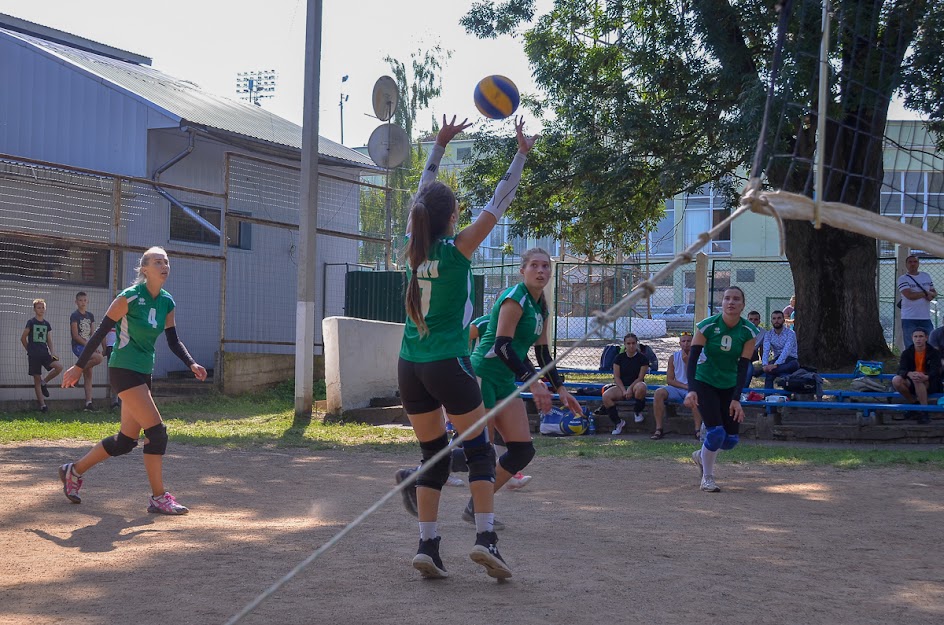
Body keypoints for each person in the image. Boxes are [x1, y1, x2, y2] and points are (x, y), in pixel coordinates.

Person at [396, 115, 535, 580]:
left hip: (409, 366)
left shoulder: (411, 249)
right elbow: (501, 199)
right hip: (447, 364)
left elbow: (421, 197)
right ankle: (486, 539)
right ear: (453, 218)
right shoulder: (457, 251)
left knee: (432, 454)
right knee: (479, 452)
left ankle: (428, 546)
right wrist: (520, 154)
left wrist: (437, 148)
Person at [58, 247, 207, 515]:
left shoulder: (167, 302)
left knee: (125, 441)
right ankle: (159, 497)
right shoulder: (128, 298)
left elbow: (173, 340)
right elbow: (101, 332)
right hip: (124, 369)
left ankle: (74, 471)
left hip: (142, 371)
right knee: (157, 432)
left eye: (166, 261)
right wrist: (78, 367)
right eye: (158, 261)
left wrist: (191, 363)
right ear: (145, 269)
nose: (164, 265)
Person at [469, 247, 580, 525]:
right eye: (534, 265)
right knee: (482, 451)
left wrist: (561, 389)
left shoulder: (541, 305)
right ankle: (425, 473)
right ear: (523, 270)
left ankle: (474, 507)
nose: (541, 271)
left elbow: (542, 354)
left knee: (522, 450)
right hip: (483, 374)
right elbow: (502, 345)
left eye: (546, 266)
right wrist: (534, 381)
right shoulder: (514, 298)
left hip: (505, 380)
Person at [685, 286, 758, 492]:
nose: (731, 302)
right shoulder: (707, 326)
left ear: (743, 305)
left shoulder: (748, 331)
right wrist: (692, 389)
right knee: (716, 433)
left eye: (736, 299)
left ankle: (701, 455)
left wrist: (737, 398)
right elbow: (692, 359)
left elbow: (744, 367)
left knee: (730, 441)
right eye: (727, 298)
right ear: (722, 302)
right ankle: (707, 478)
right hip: (705, 381)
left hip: (729, 384)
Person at [650, 332, 701, 440]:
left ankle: (697, 430)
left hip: (693, 388)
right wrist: (684, 386)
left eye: (689, 341)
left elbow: (697, 377)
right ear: (679, 343)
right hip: (678, 388)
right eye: (683, 341)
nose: (686, 344)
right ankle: (659, 429)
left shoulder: (700, 356)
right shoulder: (674, 357)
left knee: (696, 396)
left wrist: (688, 362)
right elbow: (669, 380)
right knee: (659, 393)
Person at [596, 333, 649, 434]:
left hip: (635, 385)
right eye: (628, 343)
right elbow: (617, 377)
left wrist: (630, 389)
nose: (631, 346)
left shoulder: (642, 358)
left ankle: (637, 411)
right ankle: (618, 422)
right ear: (624, 344)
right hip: (621, 386)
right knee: (606, 396)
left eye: (633, 343)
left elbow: (640, 377)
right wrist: (624, 390)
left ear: (637, 343)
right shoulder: (619, 358)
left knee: (641, 387)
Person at [21, 298, 64, 412]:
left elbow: (48, 340)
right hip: (33, 355)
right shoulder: (31, 322)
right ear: (34, 309)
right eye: (38, 307)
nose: (41, 309)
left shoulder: (46, 324)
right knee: (36, 378)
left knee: (59, 367)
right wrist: (29, 350)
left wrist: (53, 352)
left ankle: (44, 383)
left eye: (43, 307)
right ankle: (42, 405)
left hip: (45, 353)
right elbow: (23, 338)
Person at [891, 328, 942, 424]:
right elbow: (900, 370)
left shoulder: (933, 353)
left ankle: (924, 412)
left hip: (930, 382)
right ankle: (914, 404)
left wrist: (926, 376)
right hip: (911, 380)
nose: (918, 339)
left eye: (921, 336)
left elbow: (936, 370)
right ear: (912, 338)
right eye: (916, 336)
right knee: (896, 380)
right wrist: (909, 373)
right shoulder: (907, 353)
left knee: (918, 378)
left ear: (926, 338)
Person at [70, 291, 104, 411]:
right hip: (79, 346)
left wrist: (95, 347)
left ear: (87, 301)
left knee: (89, 373)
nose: (83, 303)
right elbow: (75, 336)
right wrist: (90, 346)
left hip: (89, 345)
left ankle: (88, 403)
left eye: (85, 300)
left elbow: (93, 334)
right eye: (80, 300)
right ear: (76, 302)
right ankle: (76, 372)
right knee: (98, 358)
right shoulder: (74, 316)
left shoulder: (90, 316)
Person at [898, 255, 937, 349]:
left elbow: (934, 292)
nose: (912, 264)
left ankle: (927, 362)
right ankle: (911, 362)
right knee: (910, 344)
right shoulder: (903, 279)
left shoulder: (926, 276)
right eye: (910, 262)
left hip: (925, 317)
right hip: (909, 317)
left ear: (918, 264)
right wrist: (925, 293)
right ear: (906, 264)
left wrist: (931, 295)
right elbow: (910, 296)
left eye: (915, 262)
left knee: (930, 343)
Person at [756, 310, 799, 389]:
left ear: (783, 320)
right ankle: (767, 398)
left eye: (779, 318)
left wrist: (774, 366)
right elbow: (766, 351)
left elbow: (786, 351)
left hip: (790, 360)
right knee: (771, 375)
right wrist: (765, 365)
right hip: (776, 360)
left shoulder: (791, 333)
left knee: (789, 367)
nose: (776, 321)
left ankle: (786, 399)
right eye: (774, 318)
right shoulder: (768, 334)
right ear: (771, 320)